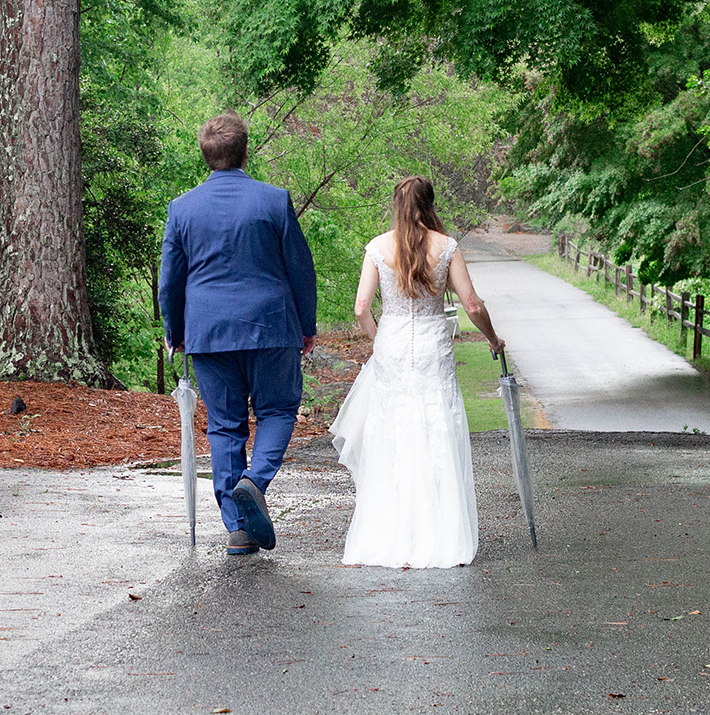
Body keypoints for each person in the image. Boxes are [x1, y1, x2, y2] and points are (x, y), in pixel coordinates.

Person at [158, 112, 318, 556]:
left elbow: (169, 279)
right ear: (246, 151)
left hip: (208, 332)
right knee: (279, 410)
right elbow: (300, 270)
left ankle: (238, 527)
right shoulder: (273, 200)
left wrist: (176, 332)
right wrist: (306, 327)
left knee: (226, 428)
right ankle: (255, 481)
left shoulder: (182, 208)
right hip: (271, 325)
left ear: (206, 156)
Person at [331, 176, 505, 569]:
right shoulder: (447, 247)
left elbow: (361, 308)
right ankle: (440, 535)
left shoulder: (378, 247)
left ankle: (387, 535)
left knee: (392, 435)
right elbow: (472, 305)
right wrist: (493, 339)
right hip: (431, 347)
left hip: (392, 346)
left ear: (396, 204)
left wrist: (380, 341)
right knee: (434, 429)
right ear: (430, 204)